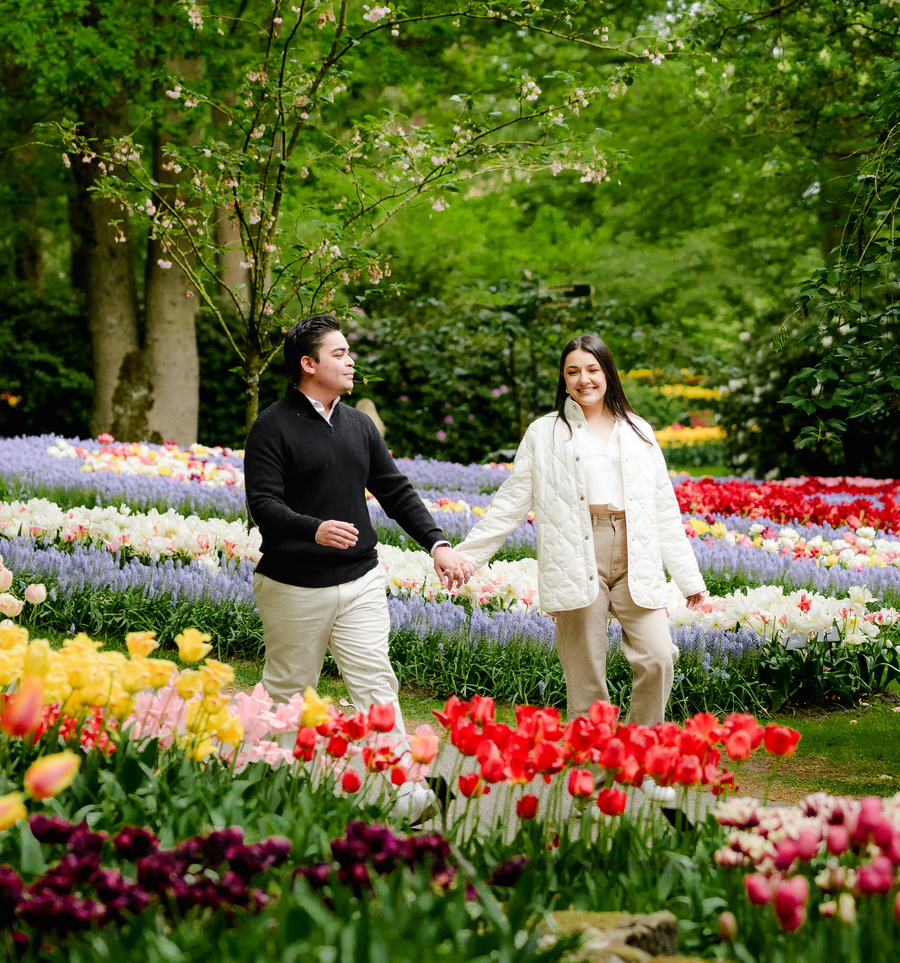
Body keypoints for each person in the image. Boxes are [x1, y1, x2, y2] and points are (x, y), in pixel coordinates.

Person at [458, 334, 708, 725]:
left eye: (592, 369)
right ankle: (592, 770)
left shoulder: (639, 431)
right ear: (563, 377)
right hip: (575, 553)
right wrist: (465, 558)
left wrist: (689, 578)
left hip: (633, 553)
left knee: (659, 657)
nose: (583, 379)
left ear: (608, 373)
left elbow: (663, 509)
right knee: (586, 676)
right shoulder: (544, 433)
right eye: (573, 371)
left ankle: (641, 755)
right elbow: (510, 503)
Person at [245, 313, 474, 731]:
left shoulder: (360, 425)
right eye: (340, 353)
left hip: (360, 581)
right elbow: (262, 503)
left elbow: (395, 491)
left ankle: (404, 790)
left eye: (349, 351)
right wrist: (312, 528)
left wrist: (437, 544)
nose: (351, 360)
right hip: (293, 587)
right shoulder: (270, 427)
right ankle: (273, 788)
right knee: (289, 694)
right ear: (308, 364)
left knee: (376, 685)